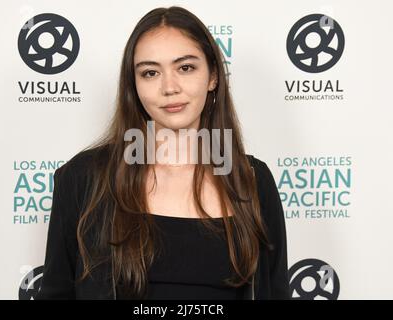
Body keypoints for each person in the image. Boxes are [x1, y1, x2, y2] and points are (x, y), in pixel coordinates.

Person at [35, 6, 290, 300]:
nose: (169, 87)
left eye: (185, 68)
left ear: (213, 77)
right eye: (150, 72)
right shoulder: (82, 179)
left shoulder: (253, 180)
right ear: (135, 84)